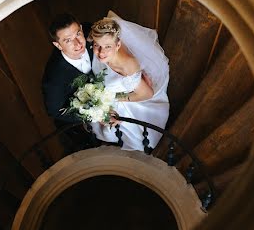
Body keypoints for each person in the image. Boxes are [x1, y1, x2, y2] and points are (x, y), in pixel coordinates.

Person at [89, 11, 170, 151]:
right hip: (109, 91)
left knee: (139, 142)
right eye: (97, 45)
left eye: (108, 46)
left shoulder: (127, 65)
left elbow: (147, 93)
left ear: (118, 45)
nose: (101, 52)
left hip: (130, 98)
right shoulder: (102, 49)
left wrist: (114, 97)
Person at [41, 13, 95, 150]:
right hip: (80, 121)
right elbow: (55, 111)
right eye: (68, 40)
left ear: (82, 29)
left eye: (78, 34)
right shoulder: (53, 78)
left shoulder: (91, 32)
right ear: (58, 45)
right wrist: (94, 114)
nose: (77, 43)